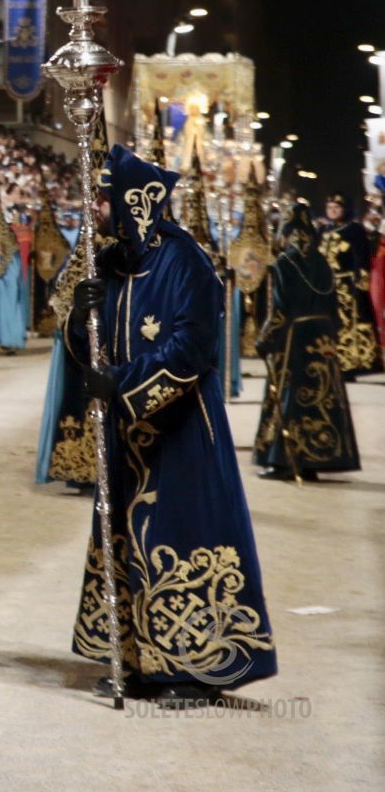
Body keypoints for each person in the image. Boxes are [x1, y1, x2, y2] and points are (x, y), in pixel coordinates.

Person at [64, 145, 275, 704]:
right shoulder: (109, 264)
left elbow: (191, 350)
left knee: (181, 536)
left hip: (180, 432)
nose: (95, 210)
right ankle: (136, 657)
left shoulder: (186, 261)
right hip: (127, 434)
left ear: (134, 201)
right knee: (127, 543)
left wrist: (123, 383)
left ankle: (193, 669)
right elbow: (88, 347)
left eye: (103, 199)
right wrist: (75, 319)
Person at [253, 203, 361, 479]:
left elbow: (279, 310)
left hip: (294, 337)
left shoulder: (283, 264)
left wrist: (264, 340)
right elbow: (335, 304)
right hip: (322, 336)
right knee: (320, 396)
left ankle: (285, 461)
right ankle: (313, 460)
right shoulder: (323, 263)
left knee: (291, 392)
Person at [316, 193, 381, 379]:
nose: (333, 211)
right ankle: (330, 362)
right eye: (330, 208)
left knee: (348, 325)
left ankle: (351, 365)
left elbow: (362, 255)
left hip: (347, 285)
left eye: (337, 207)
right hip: (327, 285)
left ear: (344, 209)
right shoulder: (323, 230)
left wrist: (361, 279)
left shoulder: (354, 229)